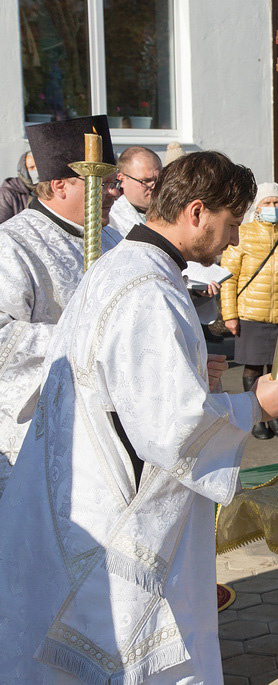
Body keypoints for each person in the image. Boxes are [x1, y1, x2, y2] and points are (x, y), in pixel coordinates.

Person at [0, 151, 278, 683]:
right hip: (115, 512)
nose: (232, 241)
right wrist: (256, 404)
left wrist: (188, 371)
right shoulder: (150, 289)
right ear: (197, 211)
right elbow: (173, 429)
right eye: (231, 225)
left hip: (76, 492)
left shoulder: (121, 264)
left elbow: (123, 382)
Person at [0, 115, 118, 491]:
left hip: (110, 423)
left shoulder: (114, 239)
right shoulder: (12, 244)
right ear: (59, 185)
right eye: (101, 181)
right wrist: (84, 341)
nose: (114, 192)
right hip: (38, 429)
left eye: (114, 182)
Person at [221, 182, 278, 440]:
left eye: (277, 203)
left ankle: (276, 416)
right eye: (267, 203)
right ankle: (256, 417)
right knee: (253, 368)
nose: (273, 207)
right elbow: (229, 277)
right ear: (257, 207)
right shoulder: (243, 234)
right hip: (251, 313)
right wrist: (230, 315)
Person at [107, 145, 163, 241]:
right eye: (145, 181)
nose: (154, 186)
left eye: (159, 179)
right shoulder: (111, 220)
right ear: (122, 180)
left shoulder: (171, 212)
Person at [0, 151, 36, 223]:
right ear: (23, 170)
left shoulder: (46, 189)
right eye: (32, 167)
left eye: (38, 167)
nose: (36, 170)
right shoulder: (7, 193)